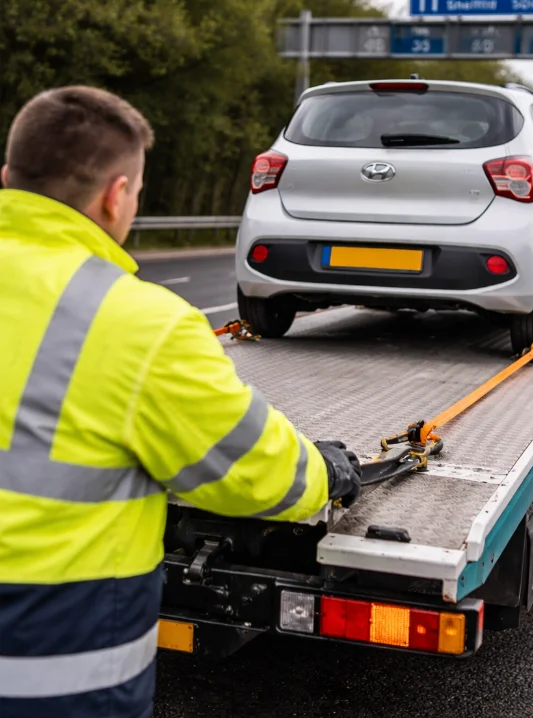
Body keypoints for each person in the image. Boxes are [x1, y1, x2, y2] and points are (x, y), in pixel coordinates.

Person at [0, 86, 362, 718]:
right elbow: (250, 471)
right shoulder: (136, 322)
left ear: (9, 178)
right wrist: (326, 471)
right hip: (52, 675)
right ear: (117, 196)